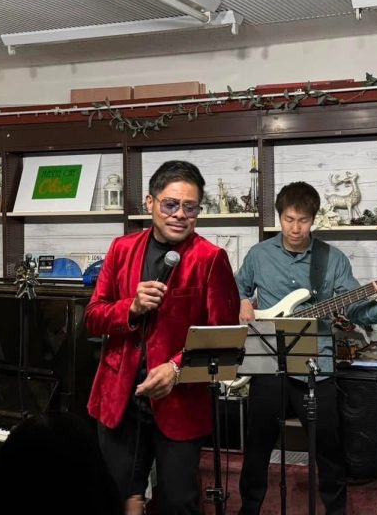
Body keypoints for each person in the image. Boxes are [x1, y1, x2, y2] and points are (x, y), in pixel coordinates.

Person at [85, 160, 241, 515]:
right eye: (171, 204)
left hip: (180, 405)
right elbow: (93, 317)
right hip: (118, 401)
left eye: (190, 207)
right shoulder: (122, 248)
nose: (180, 214)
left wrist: (176, 368)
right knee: (117, 498)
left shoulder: (211, 258)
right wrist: (131, 307)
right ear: (150, 202)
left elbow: (224, 338)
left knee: (178, 503)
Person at [236, 182, 377, 515]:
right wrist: (242, 301)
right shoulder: (259, 255)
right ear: (279, 217)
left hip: (316, 364)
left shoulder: (332, 259)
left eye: (303, 221)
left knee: (329, 449)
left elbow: (355, 310)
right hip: (268, 361)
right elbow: (236, 287)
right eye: (288, 219)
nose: (295, 228)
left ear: (314, 219)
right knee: (256, 447)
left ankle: (336, 511)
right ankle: (248, 510)